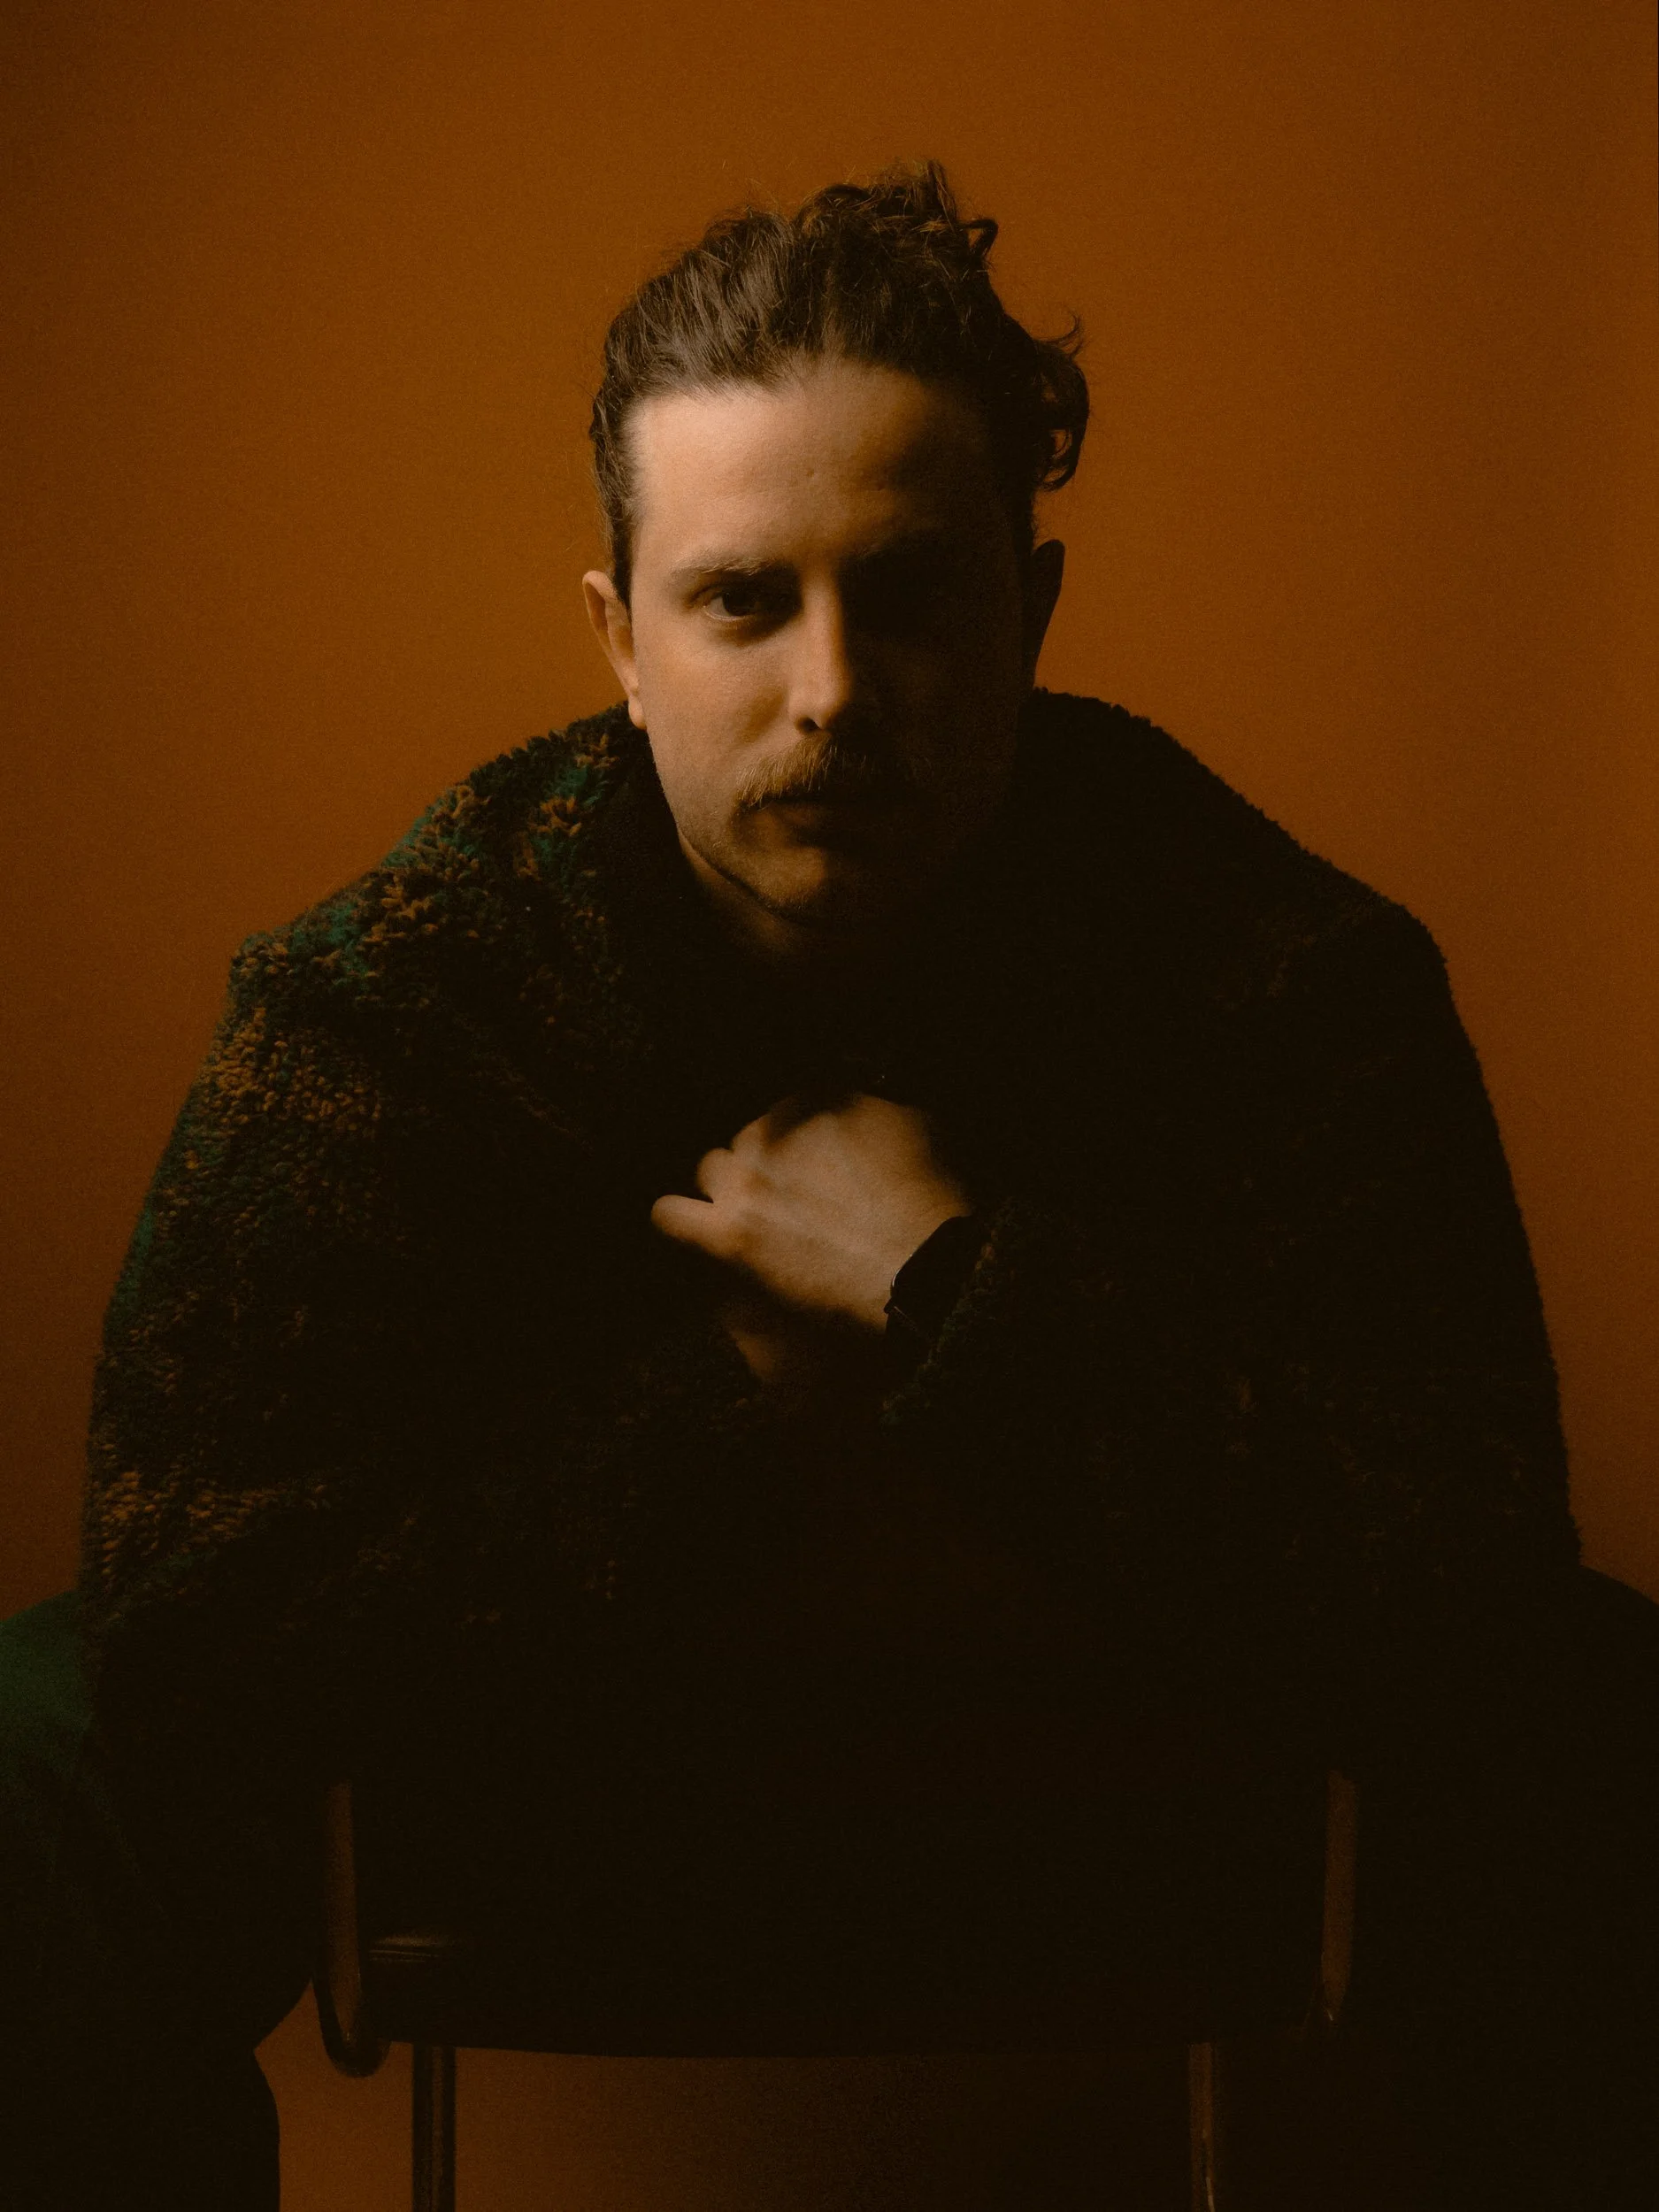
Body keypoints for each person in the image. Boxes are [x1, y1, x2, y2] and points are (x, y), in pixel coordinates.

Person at [0, 161, 1632, 2208]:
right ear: (620, 639)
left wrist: (946, 1284)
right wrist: (741, 1397)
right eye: (742, 597)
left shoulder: (1275, 968)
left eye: (917, 591)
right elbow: (191, 1630)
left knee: (1602, 1741)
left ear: (1029, 610)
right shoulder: (391, 1003)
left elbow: (1475, 1581)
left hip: (1118, 1783)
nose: (836, 690)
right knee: (28, 1765)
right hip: (569, 1784)